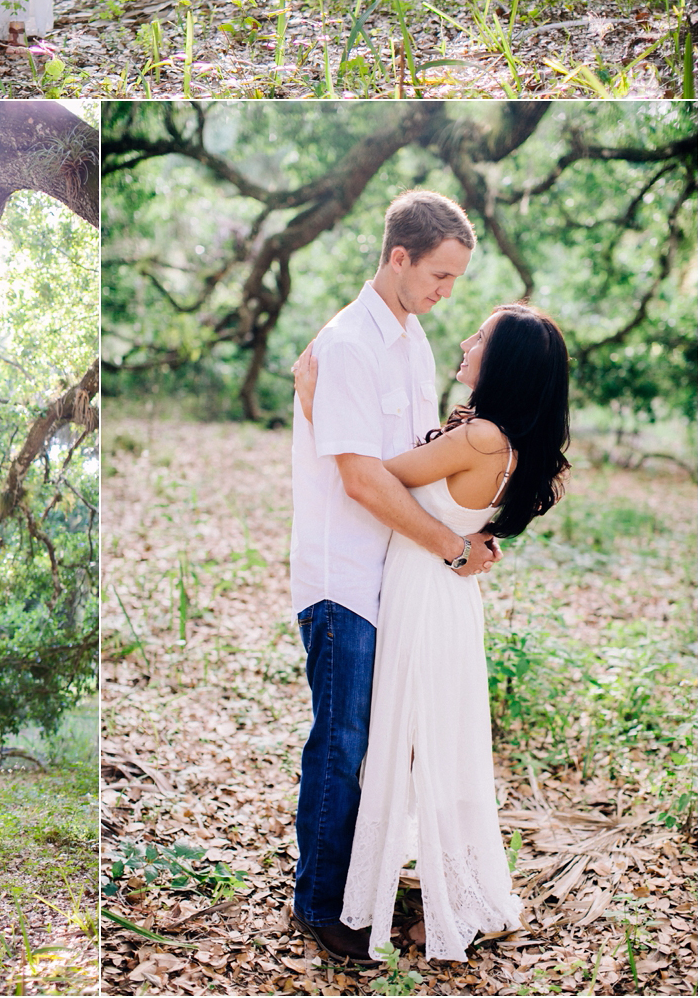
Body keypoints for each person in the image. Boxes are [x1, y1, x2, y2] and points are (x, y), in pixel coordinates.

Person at [294, 303, 571, 960]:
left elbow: (374, 476)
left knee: (398, 732)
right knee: (432, 736)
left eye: (482, 336)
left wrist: (316, 405)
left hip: (424, 588)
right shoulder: (500, 438)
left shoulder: (478, 438)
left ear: (503, 362)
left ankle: (375, 891)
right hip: (445, 591)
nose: (467, 340)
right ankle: (439, 875)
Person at [287, 189, 500, 966]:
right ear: (399, 256)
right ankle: (319, 905)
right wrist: (449, 545)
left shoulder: (411, 342)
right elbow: (363, 482)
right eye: (440, 275)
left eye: (456, 281)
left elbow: (410, 462)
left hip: (392, 577)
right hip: (343, 574)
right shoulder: (347, 345)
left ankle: (358, 883)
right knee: (342, 740)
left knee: (377, 740)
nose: (449, 294)